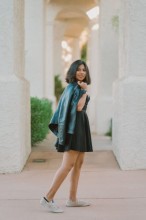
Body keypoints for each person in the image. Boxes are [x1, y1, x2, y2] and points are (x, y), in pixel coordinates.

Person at [40, 60, 93, 213]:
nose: (81, 72)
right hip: (74, 130)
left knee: (78, 164)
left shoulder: (77, 87)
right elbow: (79, 107)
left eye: (84, 69)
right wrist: (84, 92)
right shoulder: (74, 88)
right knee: (67, 165)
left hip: (80, 128)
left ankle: (72, 199)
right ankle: (47, 198)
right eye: (78, 69)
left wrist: (83, 90)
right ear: (73, 72)